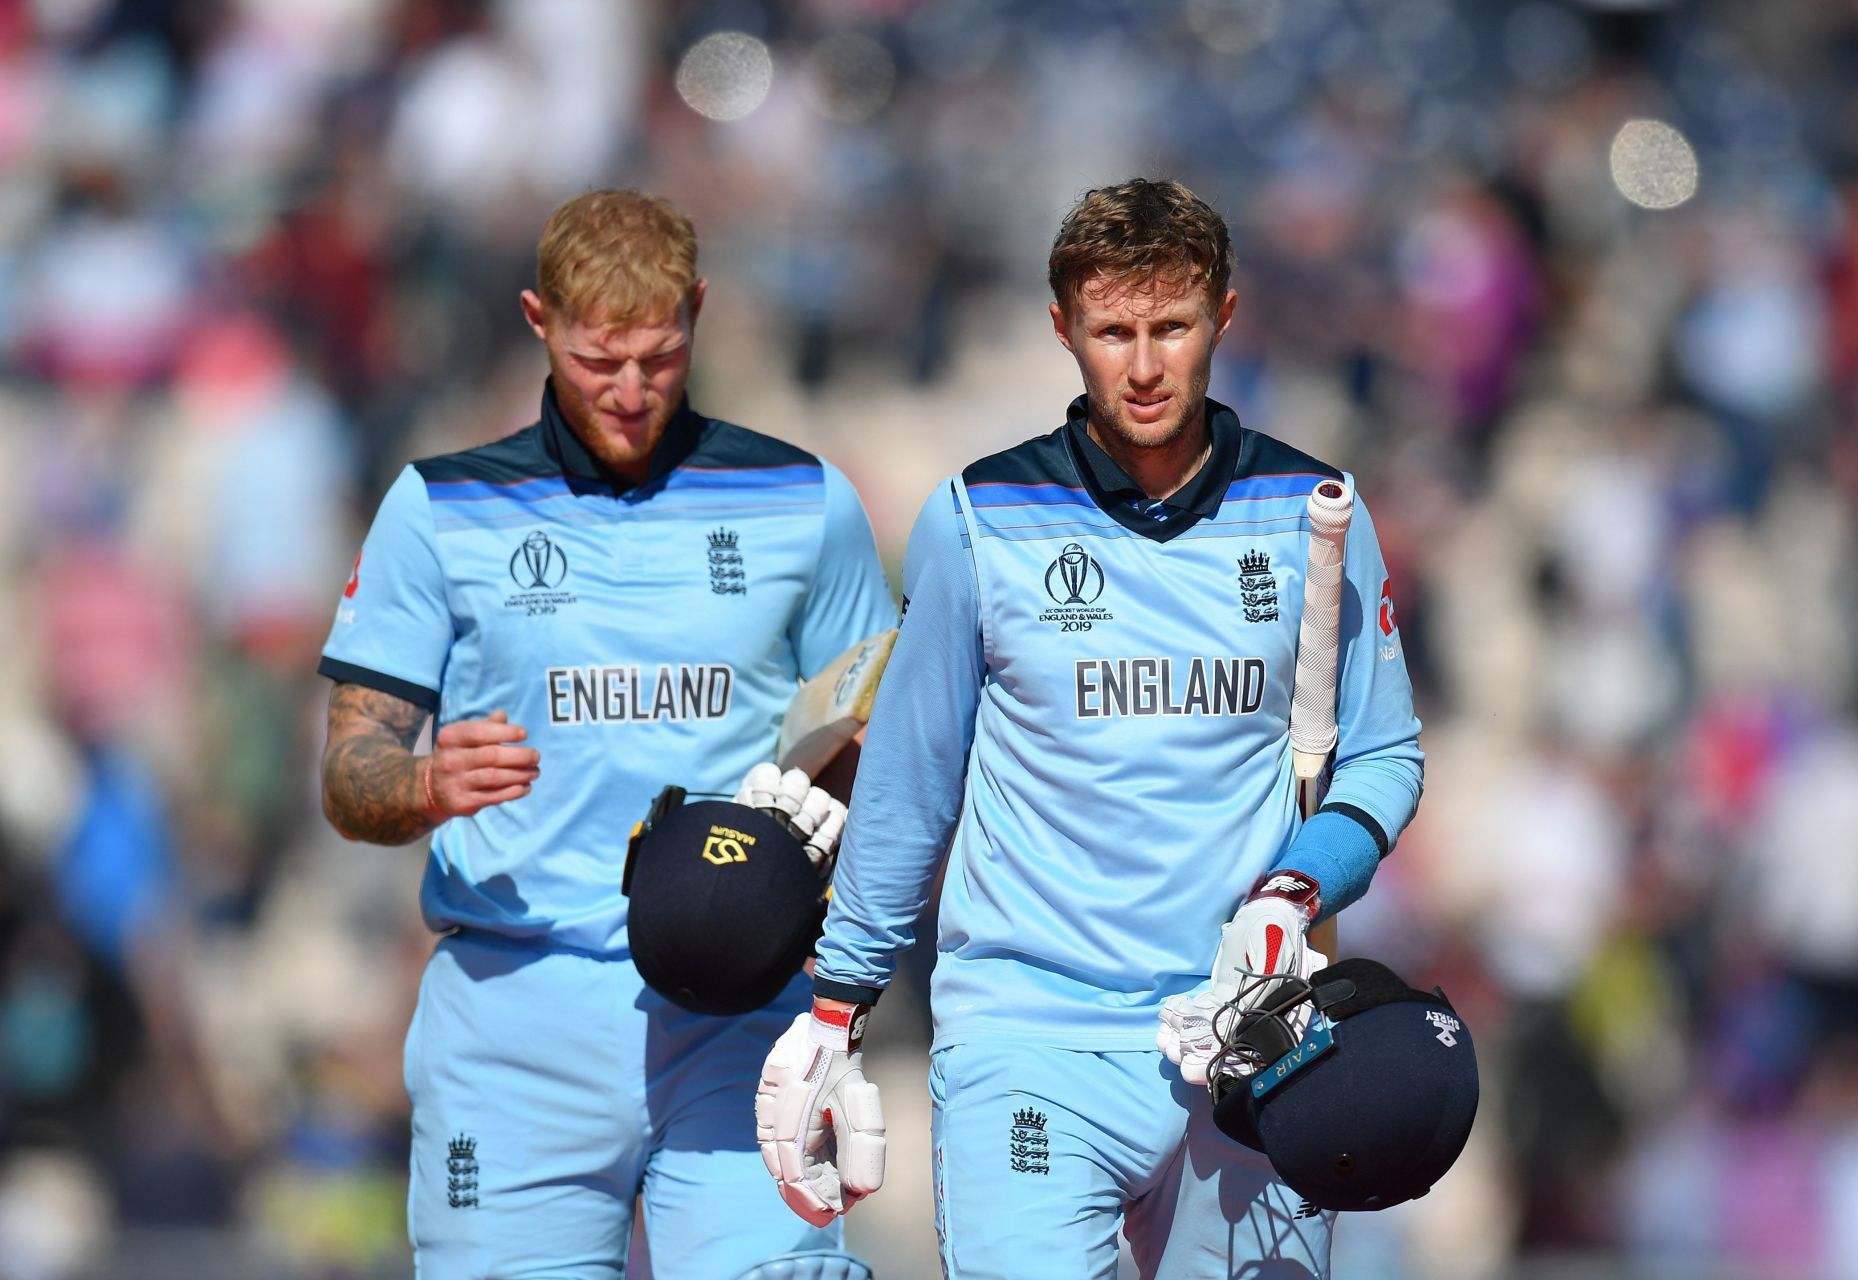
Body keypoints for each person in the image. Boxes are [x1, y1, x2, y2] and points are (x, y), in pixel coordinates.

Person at [755, 178, 1425, 1278]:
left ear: (1227, 313)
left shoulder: (1318, 512)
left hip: (1252, 1029)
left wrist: (1293, 891)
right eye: (1114, 331)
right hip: (1032, 1031)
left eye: (1173, 326)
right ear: (1064, 327)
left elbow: (1386, 754)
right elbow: (911, 779)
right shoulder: (978, 518)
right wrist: (837, 1003)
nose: (1146, 365)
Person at [316, 190, 894, 1280]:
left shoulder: (803, 501)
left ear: (699, 312)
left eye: (659, 356)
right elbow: (351, 775)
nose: (630, 391)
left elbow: (877, 738)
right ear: (539, 319)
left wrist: (832, 827)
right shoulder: (438, 509)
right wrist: (429, 782)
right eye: (598, 360)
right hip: (514, 1014)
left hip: (740, 1010)